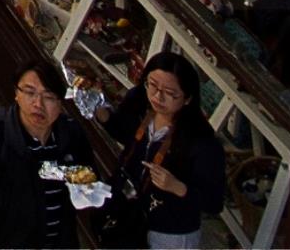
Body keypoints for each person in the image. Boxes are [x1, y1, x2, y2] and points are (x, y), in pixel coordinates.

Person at [0, 59, 99, 249]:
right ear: (16, 94)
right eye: (30, 93)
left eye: (48, 97)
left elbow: (90, 179)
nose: (38, 104)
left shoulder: (70, 134)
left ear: (60, 102)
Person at [94, 51, 225, 249]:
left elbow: (214, 203)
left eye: (170, 94)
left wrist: (176, 187)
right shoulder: (139, 103)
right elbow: (125, 135)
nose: (157, 96)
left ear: (187, 98)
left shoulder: (202, 142)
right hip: (128, 215)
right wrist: (104, 116)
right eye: (152, 84)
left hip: (168, 232)